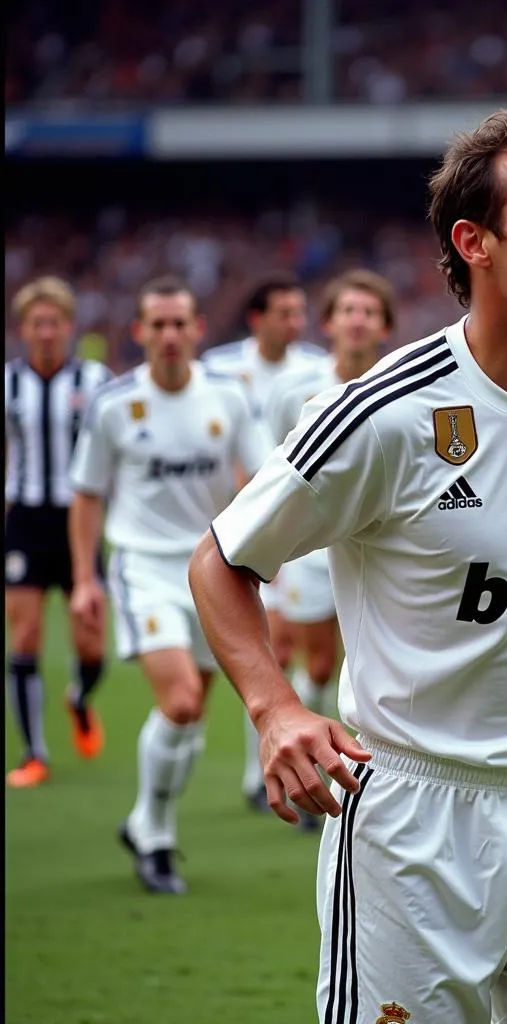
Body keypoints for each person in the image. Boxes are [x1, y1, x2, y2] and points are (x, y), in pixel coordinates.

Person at [190, 108, 507, 1024]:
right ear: (474, 241)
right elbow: (220, 560)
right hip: (414, 828)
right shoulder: (384, 415)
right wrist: (274, 709)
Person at [68, 276, 266, 894]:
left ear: (198, 330)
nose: (170, 335)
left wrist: (263, 553)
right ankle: (154, 831)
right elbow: (87, 495)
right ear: (140, 333)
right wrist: (83, 580)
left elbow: (260, 478)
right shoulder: (114, 406)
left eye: (181, 323)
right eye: (158, 325)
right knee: (180, 701)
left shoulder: (229, 398)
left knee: (192, 712)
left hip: (211, 568)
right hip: (143, 567)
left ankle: (146, 821)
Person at [262, 270, 396, 834]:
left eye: (369, 311)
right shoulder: (297, 392)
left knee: (358, 662)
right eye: (348, 310)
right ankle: (302, 759)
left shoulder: (403, 385)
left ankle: (342, 763)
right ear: (329, 323)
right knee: (316, 663)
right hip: (315, 549)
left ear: (385, 326)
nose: (358, 320)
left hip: (384, 549)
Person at [200, 272, 326, 813]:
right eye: (285, 313)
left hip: (294, 525)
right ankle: (266, 762)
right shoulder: (222, 370)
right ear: (257, 319)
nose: (296, 323)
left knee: (303, 655)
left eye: (301, 312)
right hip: (239, 523)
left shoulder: (313, 370)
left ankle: (279, 754)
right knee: (271, 645)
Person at [5, 277, 111, 788]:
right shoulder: (9, 384)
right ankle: (34, 753)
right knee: (24, 634)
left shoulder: (95, 382)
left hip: (80, 522)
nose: (46, 332)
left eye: (54, 323)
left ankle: (79, 698)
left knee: (91, 644)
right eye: (36, 324)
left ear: (68, 327)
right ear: (24, 329)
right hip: (26, 519)